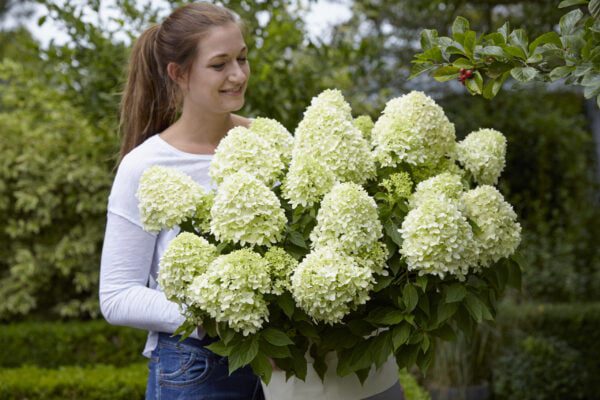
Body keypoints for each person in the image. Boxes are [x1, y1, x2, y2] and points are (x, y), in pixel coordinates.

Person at [98, 2, 263, 399]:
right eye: (219, 64)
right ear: (179, 73)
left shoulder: (267, 140)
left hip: (280, 363)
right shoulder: (144, 166)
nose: (238, 75)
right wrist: (214, 313)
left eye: (242, 58)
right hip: (197, 367)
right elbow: (117, 295)